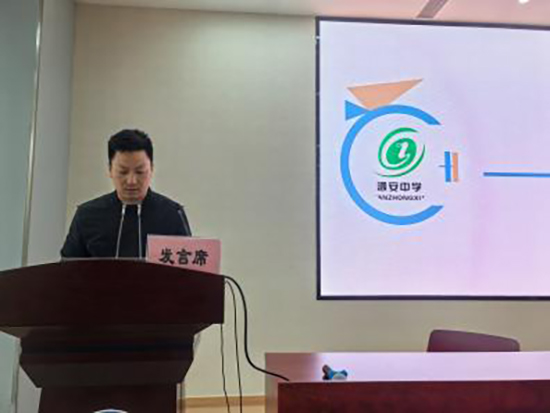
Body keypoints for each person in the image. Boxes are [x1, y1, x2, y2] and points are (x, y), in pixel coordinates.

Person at [61, 129, 191, 258]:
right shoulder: (87, 215)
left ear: (152, 168)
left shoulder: (173, 214)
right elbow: (67, 267)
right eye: (123, 172)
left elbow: (188, 266)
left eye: (140, 172)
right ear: (110, 170)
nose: (131, 181)